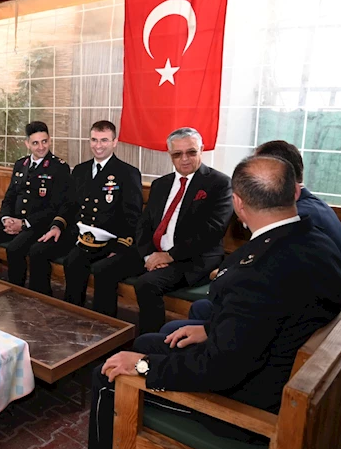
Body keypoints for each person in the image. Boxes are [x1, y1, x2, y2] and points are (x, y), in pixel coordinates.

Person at [65, 155, 341, 449]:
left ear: (238, 204)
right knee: (150, 340)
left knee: (107, 375)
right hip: (268, 365)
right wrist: (210, 328)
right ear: (295, 193)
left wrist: (142, 366)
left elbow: (220, 369)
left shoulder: (256, 272)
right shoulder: (318, 239)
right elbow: (270, 317)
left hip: (245, 405)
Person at [155, 139, 341, 335]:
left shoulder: (292, 220)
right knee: (201, 308)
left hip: (287, 317)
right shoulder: (308, 208)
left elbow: (263, 277)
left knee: (169, 330)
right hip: (298, 304)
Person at [87, 127, 233, 333]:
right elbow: (143, 224)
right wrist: (149, 255)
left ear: (201, 149)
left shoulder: (219, 183)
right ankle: (106, 333)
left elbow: (213, 230)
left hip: (192, 258)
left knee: (147, 284)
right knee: (103, 269)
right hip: (154, 252)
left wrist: (169, 256)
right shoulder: (161, 184)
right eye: (177, 154)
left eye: (191, 152)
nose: (184, 159)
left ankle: (149, 344)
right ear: (170, 154)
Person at [29, 120, 142, 300]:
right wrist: (57, 226)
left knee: (75, 262)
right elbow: (70, 205)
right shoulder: (80, 170)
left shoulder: (127, 173)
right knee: (38, 251)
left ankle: (82, 312)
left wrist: (121, 247)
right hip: (78, 232)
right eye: (94, 140)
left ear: (114, 142)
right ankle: (41, 303)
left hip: (107, 238)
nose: (98, 145)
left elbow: (133, 216)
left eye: (104, 140)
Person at [0, 121, 71, 288]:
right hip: (13, 220)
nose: (41, 147)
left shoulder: (59, 167)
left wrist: (23, 224)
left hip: (37, 224)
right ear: (27, 144)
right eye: (35, 143)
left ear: (50, 140)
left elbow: (55, 207)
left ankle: (16, 292)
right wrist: (6, 218)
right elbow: (9, 197)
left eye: (44, 141)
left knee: (14, 249)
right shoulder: (20, 164)